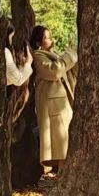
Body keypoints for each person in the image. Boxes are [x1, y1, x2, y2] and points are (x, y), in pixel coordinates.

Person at [30, 25, 77, 176]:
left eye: (50, 37)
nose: (50, 40)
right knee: (60, 147)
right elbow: (54, 71)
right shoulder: (38, 56)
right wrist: (68, 57)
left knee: (65, 144)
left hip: (62, 103)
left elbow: (69, 70)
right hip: (53, 106)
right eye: (46, 37)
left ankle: (64, 176)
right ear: (39, 42)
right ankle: (62, 177)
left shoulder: (54, 54)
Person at [4, 24, 32, 91]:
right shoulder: (6, 52)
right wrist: (28, 63)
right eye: (11, 37)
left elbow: (10, 78)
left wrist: (23, 67)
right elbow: (18, 80)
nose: (11, 41)